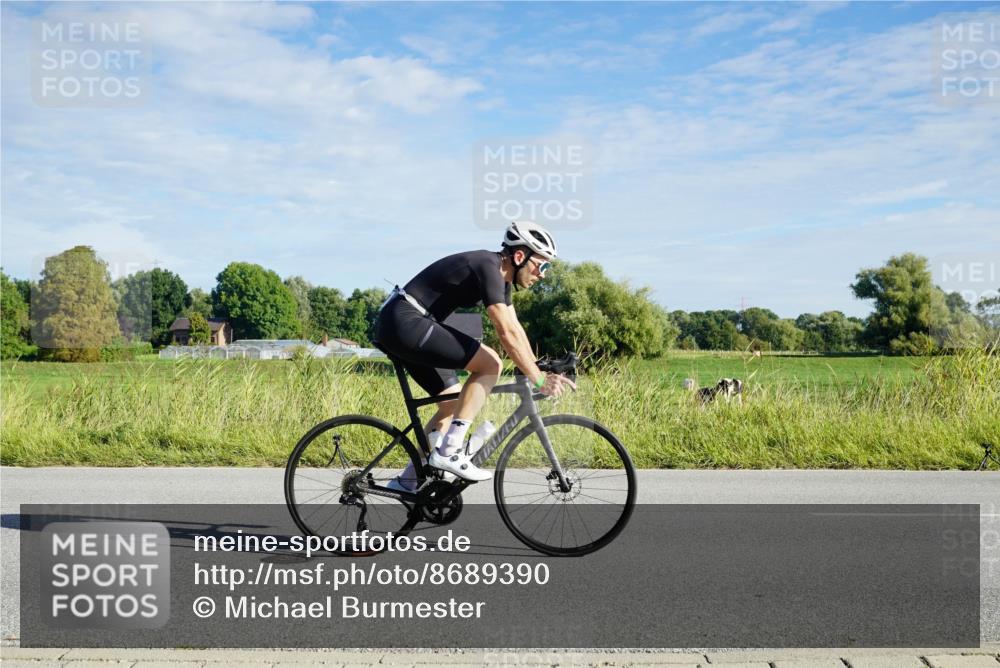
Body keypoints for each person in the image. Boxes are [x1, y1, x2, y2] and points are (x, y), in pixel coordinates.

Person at [374, 221, 576, 489]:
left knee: (450, 404)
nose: (544, 274)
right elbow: (504, 333)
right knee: (490, 363)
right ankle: (450, 452)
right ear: (519, 256)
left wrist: (537, 366)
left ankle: (408, 481)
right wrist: (537, 379)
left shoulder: (501, 280)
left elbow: (516, 328)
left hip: (404, 325)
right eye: (543, 265)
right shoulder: (488, 267)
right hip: (406, 321)